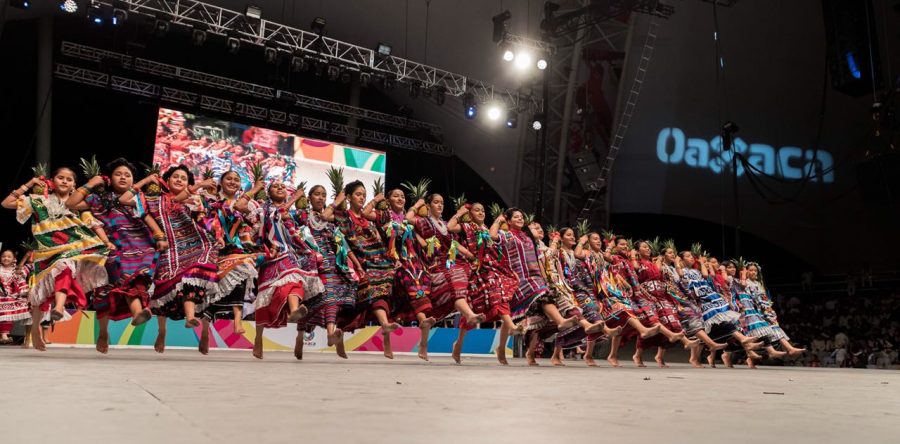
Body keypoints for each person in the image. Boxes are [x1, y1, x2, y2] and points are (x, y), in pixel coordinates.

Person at [2, 167, 110, 351]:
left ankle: (59, 307)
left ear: (74, 185)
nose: (65, 181)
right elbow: (6, 203)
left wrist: (106, 242)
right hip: (45, 251)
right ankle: (35, 329)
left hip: (70, 248)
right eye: (61, 177)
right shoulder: (38, 201)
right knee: (41, 294)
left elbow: (93, 223)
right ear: (52, 181)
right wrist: (29, 183)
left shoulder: (78, 204)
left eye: (69, 179)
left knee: (65, 267)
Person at [66, 158, 166, 354]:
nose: (123, 177)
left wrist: (160, 236)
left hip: (141, 244)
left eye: (127, 175)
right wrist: (91, 184)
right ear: (109, 179)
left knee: (138, 277)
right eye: (118, 174)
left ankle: (137, 312)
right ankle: (103, 332)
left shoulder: (139, 198)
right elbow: (71, 203)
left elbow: (147, 216)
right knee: (105, 290)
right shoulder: (98, 199)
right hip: (112, 246)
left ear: (133, 180)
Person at [120, 165, 219, 355]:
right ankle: (162, 331)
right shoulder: (151, 199)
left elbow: (204, 219)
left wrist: (217, 233)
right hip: (165, 249)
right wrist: (147, 180)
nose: (179, 180)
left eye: (184, 178)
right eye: (175, 176)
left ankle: (191, 317)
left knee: (195, 276)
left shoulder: (194, 198)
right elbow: (124, 199)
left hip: (193, 245)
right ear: (166, 180)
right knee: (163, 288)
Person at [237, 180, 324, 360]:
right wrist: (257, 189)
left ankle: (294, 310)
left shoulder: (293, 213)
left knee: (294, 281)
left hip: (290, 254)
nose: (279, 188)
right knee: (264, 299)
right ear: (268, 192)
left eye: (283, 186)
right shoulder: (260, 208)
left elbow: (309, 226)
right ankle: (258, 339)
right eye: (275, 186)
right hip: (269, 255)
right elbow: (239, 206)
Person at [407, 192, 485, 363]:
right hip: (434, 265)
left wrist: (470, 255)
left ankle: (467, 319)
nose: (440, 205)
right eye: (436, 202)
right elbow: (408, 218)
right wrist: (417, 205)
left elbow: (453, 244)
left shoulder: (443, 224)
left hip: (451, 262)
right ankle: (425, 343)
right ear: (428, 205)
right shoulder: (424, 222)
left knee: (462, 286)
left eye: (441, 202)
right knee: (452, 281)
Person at [447, 202, 526, 365]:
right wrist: (460, 213)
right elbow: (450, 227)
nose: (481, 212)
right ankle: (459, 344)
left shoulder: (486, 229)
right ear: (470, 214)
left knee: (502, 296)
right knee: (475, 308)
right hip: (477, 271)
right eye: (477, 210)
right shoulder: (466, 227)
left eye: (483, 210)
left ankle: (506, 337)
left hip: (493, 269)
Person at [333, 181, 400, 359]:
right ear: (348, 197)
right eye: (358, 194)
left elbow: (380, 241)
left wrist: (392, 259)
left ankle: (386, 329)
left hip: (379, 262)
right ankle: (382, 328)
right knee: (371, 288)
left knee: (388, 286)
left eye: (364, 194)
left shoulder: (368, 220)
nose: (362, 198)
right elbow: (344, 242)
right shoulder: (344, 217)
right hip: (358, 263)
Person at [367, 188, 436, 361]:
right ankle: (389, 340)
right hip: (388, 261)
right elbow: (365, 213)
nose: (400, 199)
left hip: (411, 260)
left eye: (402, 197)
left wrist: (430, 244)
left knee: (419, 284)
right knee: (398, 290)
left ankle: (423, 337)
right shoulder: (384, 215)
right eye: (396, 196)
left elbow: (419, 242)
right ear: (388, 199)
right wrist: (375, 200)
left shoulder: (407, 219)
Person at [294, 184, 357, 359]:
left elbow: (343, 243)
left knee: (333, 297)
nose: (321, 197)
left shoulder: (331, 221)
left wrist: (356, 264)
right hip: (311, 263)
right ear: (309, 198)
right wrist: (337, 201)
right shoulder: (303, 215)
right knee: (310, 303)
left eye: (323, 195)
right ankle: (300, 336)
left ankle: (331, 333)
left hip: (332, 263)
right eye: (317, 194)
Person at [205, 170, 265, 336]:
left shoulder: (247, 205)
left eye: (236, 180)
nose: (233, 182)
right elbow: (230, 210)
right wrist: (254, 189)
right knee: (218, 287)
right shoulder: (213, 201)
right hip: (215, 247)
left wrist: (251, 241)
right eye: (229, 179)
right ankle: (206, 328)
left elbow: (251, 227)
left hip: (236, 248)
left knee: (244, 266)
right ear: (221, 182)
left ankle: (237, 319)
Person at [0, 249, 31, 344]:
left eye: (9, 257)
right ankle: (3, 336)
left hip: (9, 296)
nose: (6, 258)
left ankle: (4, 335)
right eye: (4, 256)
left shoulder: (16, 270)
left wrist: (24, 293)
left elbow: (20, 281)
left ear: (14, 259)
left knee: (8, 313)